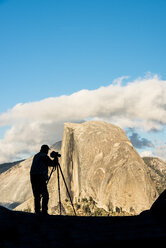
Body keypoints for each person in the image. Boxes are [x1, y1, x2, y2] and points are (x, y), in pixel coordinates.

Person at [30, 144, 57, 214]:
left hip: (33, 177)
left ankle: (37, 212)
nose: (48, 152)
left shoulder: (36, 156)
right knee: (45, 195)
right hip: (40, 177)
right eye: (47, 150)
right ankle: (44, 211)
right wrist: (56, 158)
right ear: (46, 150)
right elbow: (52, 164)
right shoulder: (44, 156)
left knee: (37, 196)